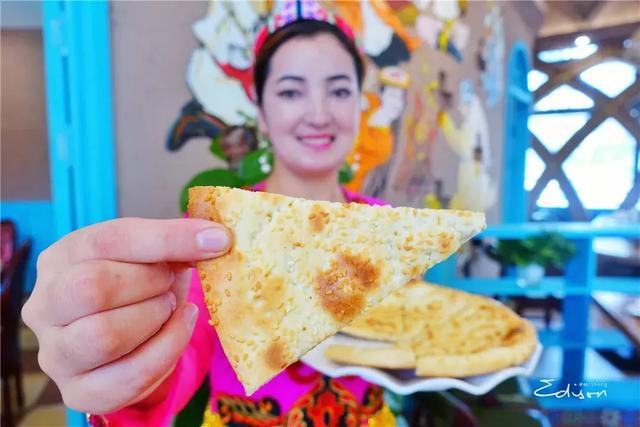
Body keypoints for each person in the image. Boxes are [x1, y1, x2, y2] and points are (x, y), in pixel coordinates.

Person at [21, 3, 398, 426]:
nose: (319, 113)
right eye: (291, 91)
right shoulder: (216, 231)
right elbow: (178, 364)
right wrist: (129, 373)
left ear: (359, 102)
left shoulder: (387, 226)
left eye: (339, 90)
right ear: (260, 109)